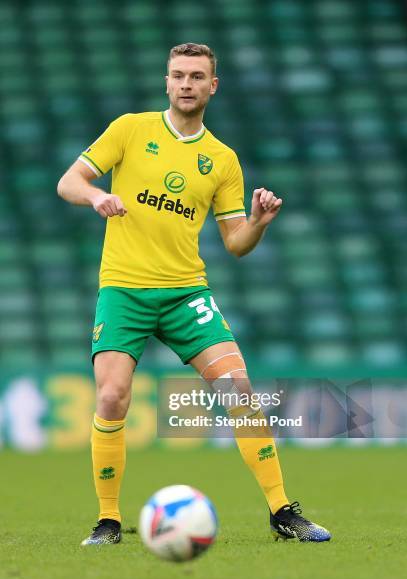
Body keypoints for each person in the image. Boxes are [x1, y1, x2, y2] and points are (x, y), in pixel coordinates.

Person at [57, 43, 331, 545]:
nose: (186, 83)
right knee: (113, 395)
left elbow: (236, 245)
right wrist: (97, 194)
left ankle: (281, 511)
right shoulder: (129, 129)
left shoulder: (222, 160)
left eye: (196, 76)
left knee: (240, 392)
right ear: (167, 82)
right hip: (125, 288)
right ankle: (109, 520)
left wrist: (257, 224)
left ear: (212, 86)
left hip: (186, 293)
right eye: (178, 75)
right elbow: (68, 181)